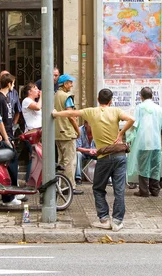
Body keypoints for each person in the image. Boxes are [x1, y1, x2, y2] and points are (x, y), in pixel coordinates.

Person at [53, 89, 135, 232]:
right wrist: (121, 134)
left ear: (98, 99)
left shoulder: (91, 112)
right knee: (119, 190)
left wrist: (55, 113)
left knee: (98, 188)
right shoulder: (116, 111)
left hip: (104, 157)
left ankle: (104, 219)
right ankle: (117, 221)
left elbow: (71, 113)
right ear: (111, 101)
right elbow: (132, 120)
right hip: (120, 155)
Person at [128, 87, 162, 198]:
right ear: (152, 96)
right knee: (155, 165)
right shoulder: (158, 108)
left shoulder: (139, 108)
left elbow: (134, 124)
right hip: (156, 142)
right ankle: (155, 190)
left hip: (143, 142)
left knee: (143, 166)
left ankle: (144, 190)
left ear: (141, 96)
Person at [0, 73, 24, 205]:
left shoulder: (5, 98)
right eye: (13, 83)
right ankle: (8, 197)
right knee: (10, 164)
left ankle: (13, 193)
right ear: (9, 84)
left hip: (9, 134)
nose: (14, 86)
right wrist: (5, 138)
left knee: (13, 164)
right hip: (5, 136)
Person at [54, 74, 82, 195]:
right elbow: (71, 116)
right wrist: (77, 130)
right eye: (70, 82)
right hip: (67, 132)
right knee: (70, 161)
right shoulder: (67, 96)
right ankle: (70, 186)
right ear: (65, 84)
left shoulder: (55, 95)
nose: (71, 85)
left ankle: (61, 184)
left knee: (61, 160)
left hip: (57, 132)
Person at [75, 120, 96, 185]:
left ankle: (107, 178)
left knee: (104, 155)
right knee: (78, 154)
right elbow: (77, 148)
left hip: (94, 152)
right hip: (83, 153)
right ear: (85, 124)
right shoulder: (79, 131)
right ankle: (78, 178)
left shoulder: (97, 131)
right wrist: (89, 150)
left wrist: (96, 150)